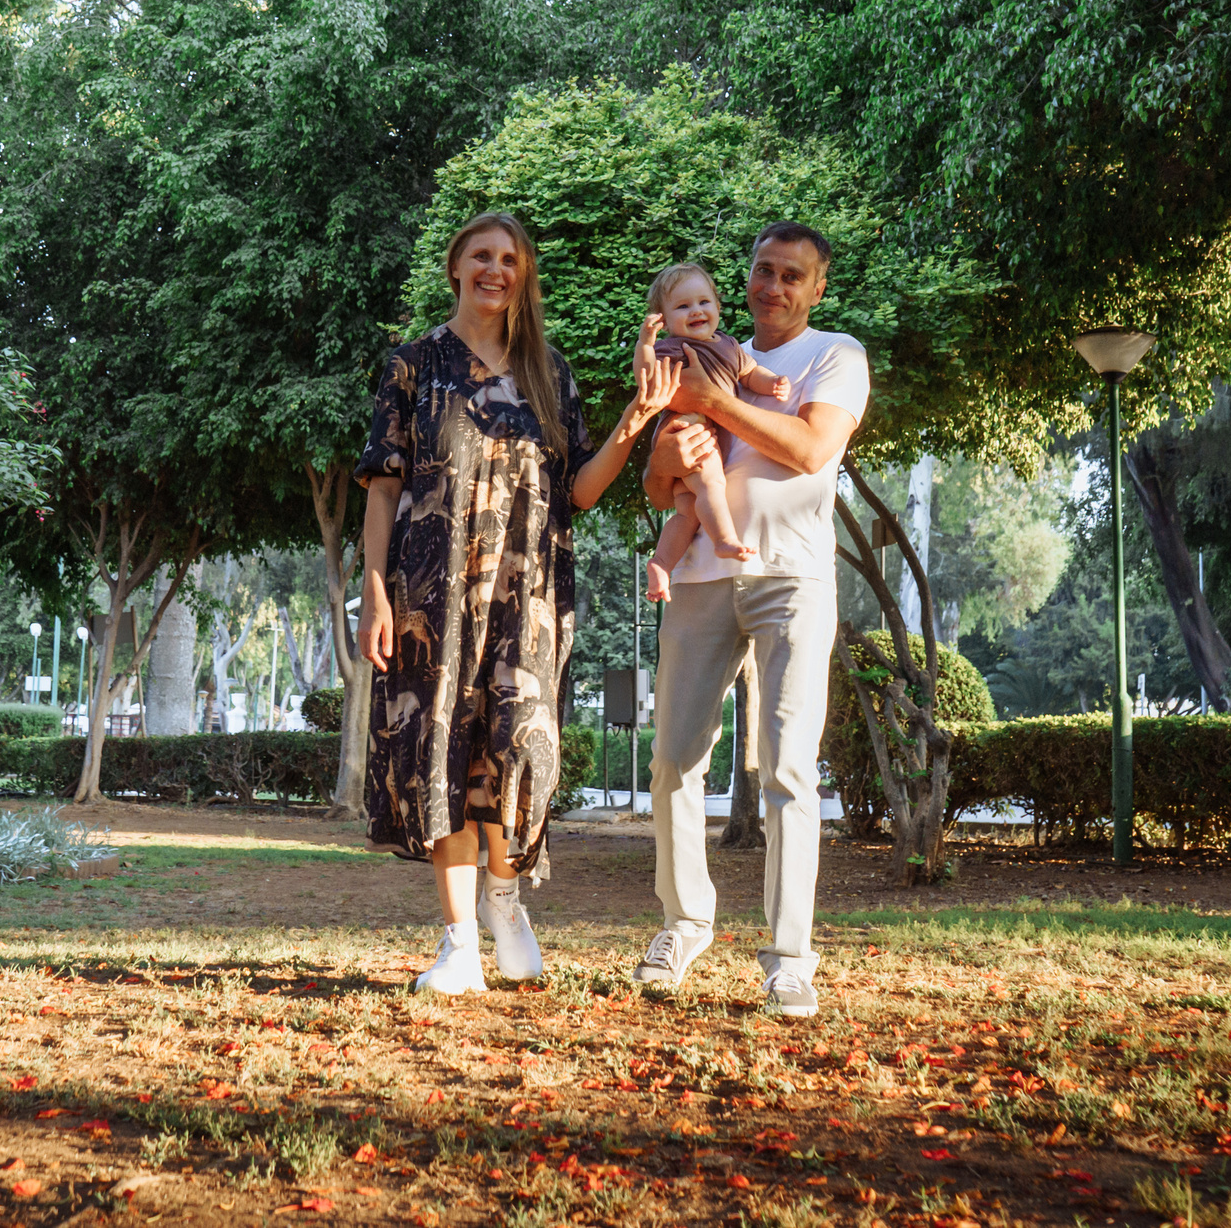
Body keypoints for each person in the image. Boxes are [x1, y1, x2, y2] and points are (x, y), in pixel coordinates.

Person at [355, 212, 678, 995]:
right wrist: (372, 589)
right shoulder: (412, 365)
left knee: (515, 751)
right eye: (481, 256)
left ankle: (506, 894)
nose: (495, 269)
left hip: (530, 594)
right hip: (431, 593)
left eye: (509, 259)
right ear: (456, 266)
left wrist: (635, 418)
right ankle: (460, 942)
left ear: (522, 275)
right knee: (442, 749)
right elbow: (384, 485)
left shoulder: (548, 372)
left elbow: (580, 492)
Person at [632, 223, 868, 1019]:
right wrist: (676, 440)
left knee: (789, 769)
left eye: (791, 275)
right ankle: (683, 922)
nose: (773, 286)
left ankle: (790, 958)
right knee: (672, 761)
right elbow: (661, 486)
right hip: (700, 577)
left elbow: (809, 449)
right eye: (763, 271)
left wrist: (717, 401)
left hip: (791, 578)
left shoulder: (835, 355)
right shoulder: (704, 347)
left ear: (816, 288)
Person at [637, 261, 791, 601]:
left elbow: (751, 374)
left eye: (703, 302)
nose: (695, 311)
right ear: (664, 320)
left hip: (699, 435)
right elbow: (647, 378)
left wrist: (773, 384)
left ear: (717, 306)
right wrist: (646, 344)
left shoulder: (729, 347)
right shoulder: (672, 347)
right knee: (712, 484)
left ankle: (661, 564)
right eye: (682, 306)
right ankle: (724, 539)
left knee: (686, 512)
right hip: (688, 430)